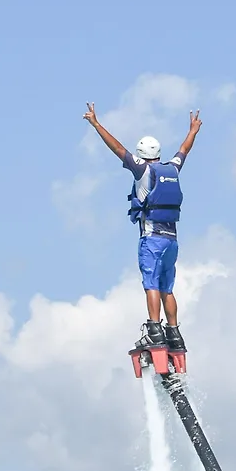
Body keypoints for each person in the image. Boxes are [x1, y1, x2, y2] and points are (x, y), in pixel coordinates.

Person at [83, 102, 203, 358]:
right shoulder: (172, 168)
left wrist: (96, 125)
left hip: (151, 239)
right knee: (167, 288)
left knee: (151, 284)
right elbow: (184, 150)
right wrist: (193, 130)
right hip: (172, 241)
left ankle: (155, 330)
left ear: (141, 154)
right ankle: (174, 333)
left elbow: (117, 148)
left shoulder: (142, 169)